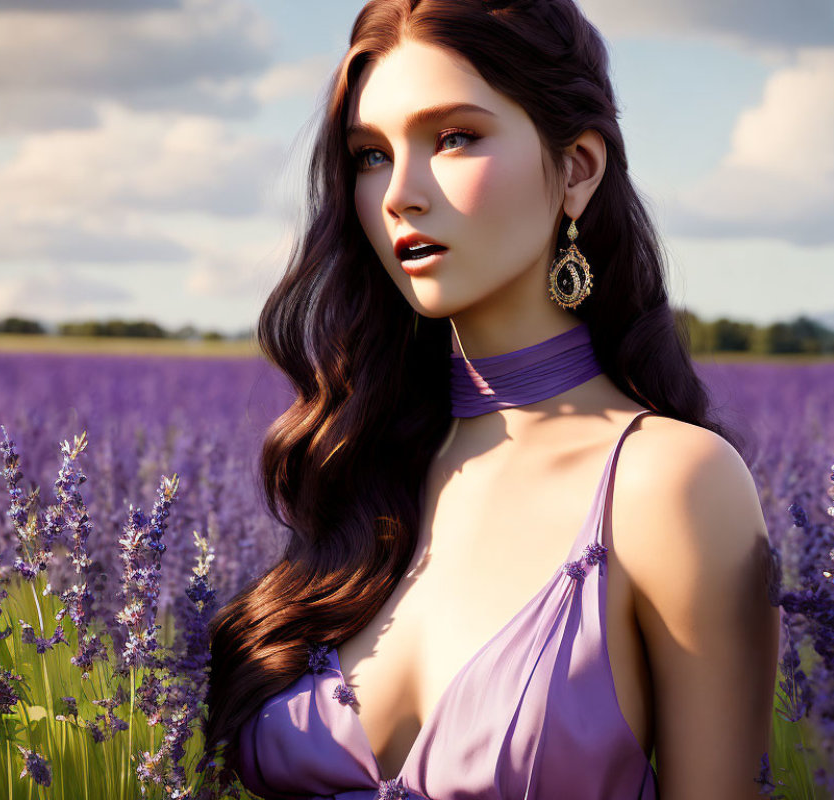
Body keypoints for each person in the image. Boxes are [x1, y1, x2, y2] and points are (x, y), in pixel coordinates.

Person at [204, 1, 782, 798]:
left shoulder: (669, 485)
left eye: (454, 137)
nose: (400, 193)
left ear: (577, 168)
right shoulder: (365, 461)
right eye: (370, 155)